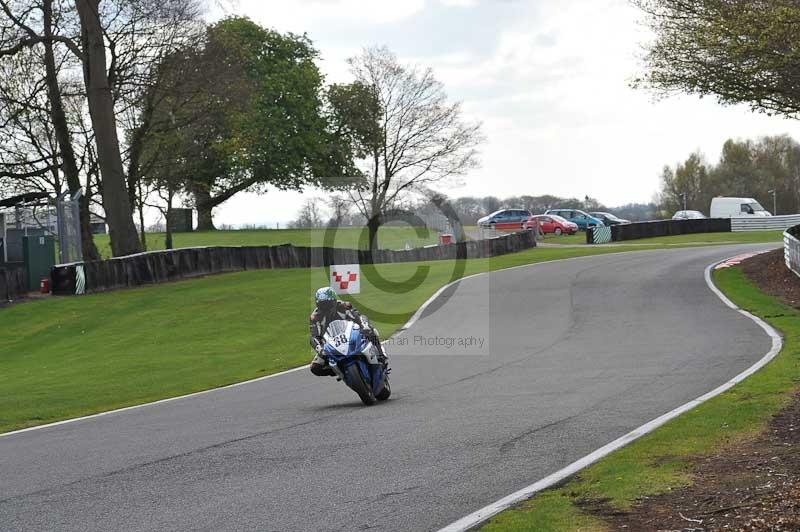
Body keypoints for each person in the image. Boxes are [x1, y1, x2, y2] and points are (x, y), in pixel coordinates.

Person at [309, 287, 387, 376]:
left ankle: (381, 355)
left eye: (328, 304)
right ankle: (340, 371)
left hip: (350, 335)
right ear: (318, 305)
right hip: (332, 343)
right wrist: (320, 349)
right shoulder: (315, 317)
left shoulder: (344, 306)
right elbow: (313, 336)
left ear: (334, 301)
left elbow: (358, 317)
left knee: (371, 330)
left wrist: (364, 326)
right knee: (315, 368)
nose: (326, 307)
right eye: (322, 305)